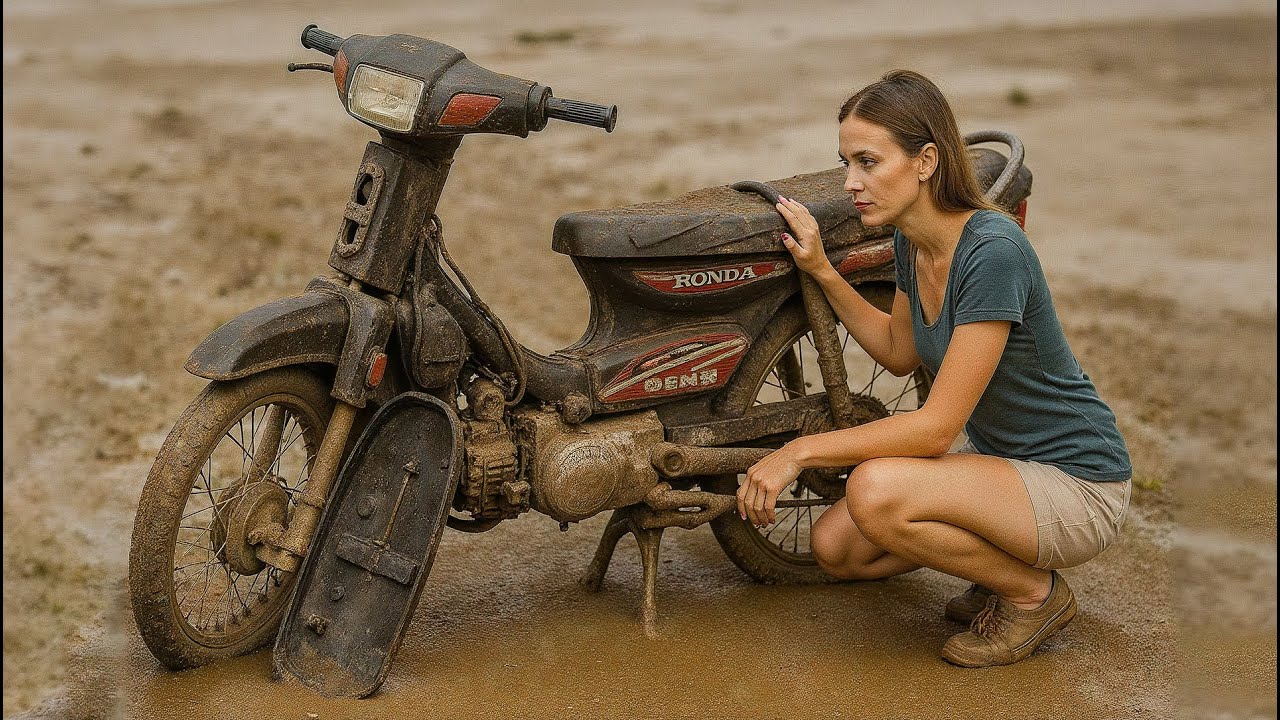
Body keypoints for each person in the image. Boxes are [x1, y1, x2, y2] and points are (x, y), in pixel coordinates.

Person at [736, 69, 1132, 667]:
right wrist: (820, 269)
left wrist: (797, 452)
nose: (851, 182)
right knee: (836, 548)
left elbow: (936, 430)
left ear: (926, 160)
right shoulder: (912, 241)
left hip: (1078, 483)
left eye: (868, 162)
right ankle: (1000, 568)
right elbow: (899, 351)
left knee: (874, 490)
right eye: (846, 163)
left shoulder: (993, 252)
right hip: (1007, 466)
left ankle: (1032, 593)